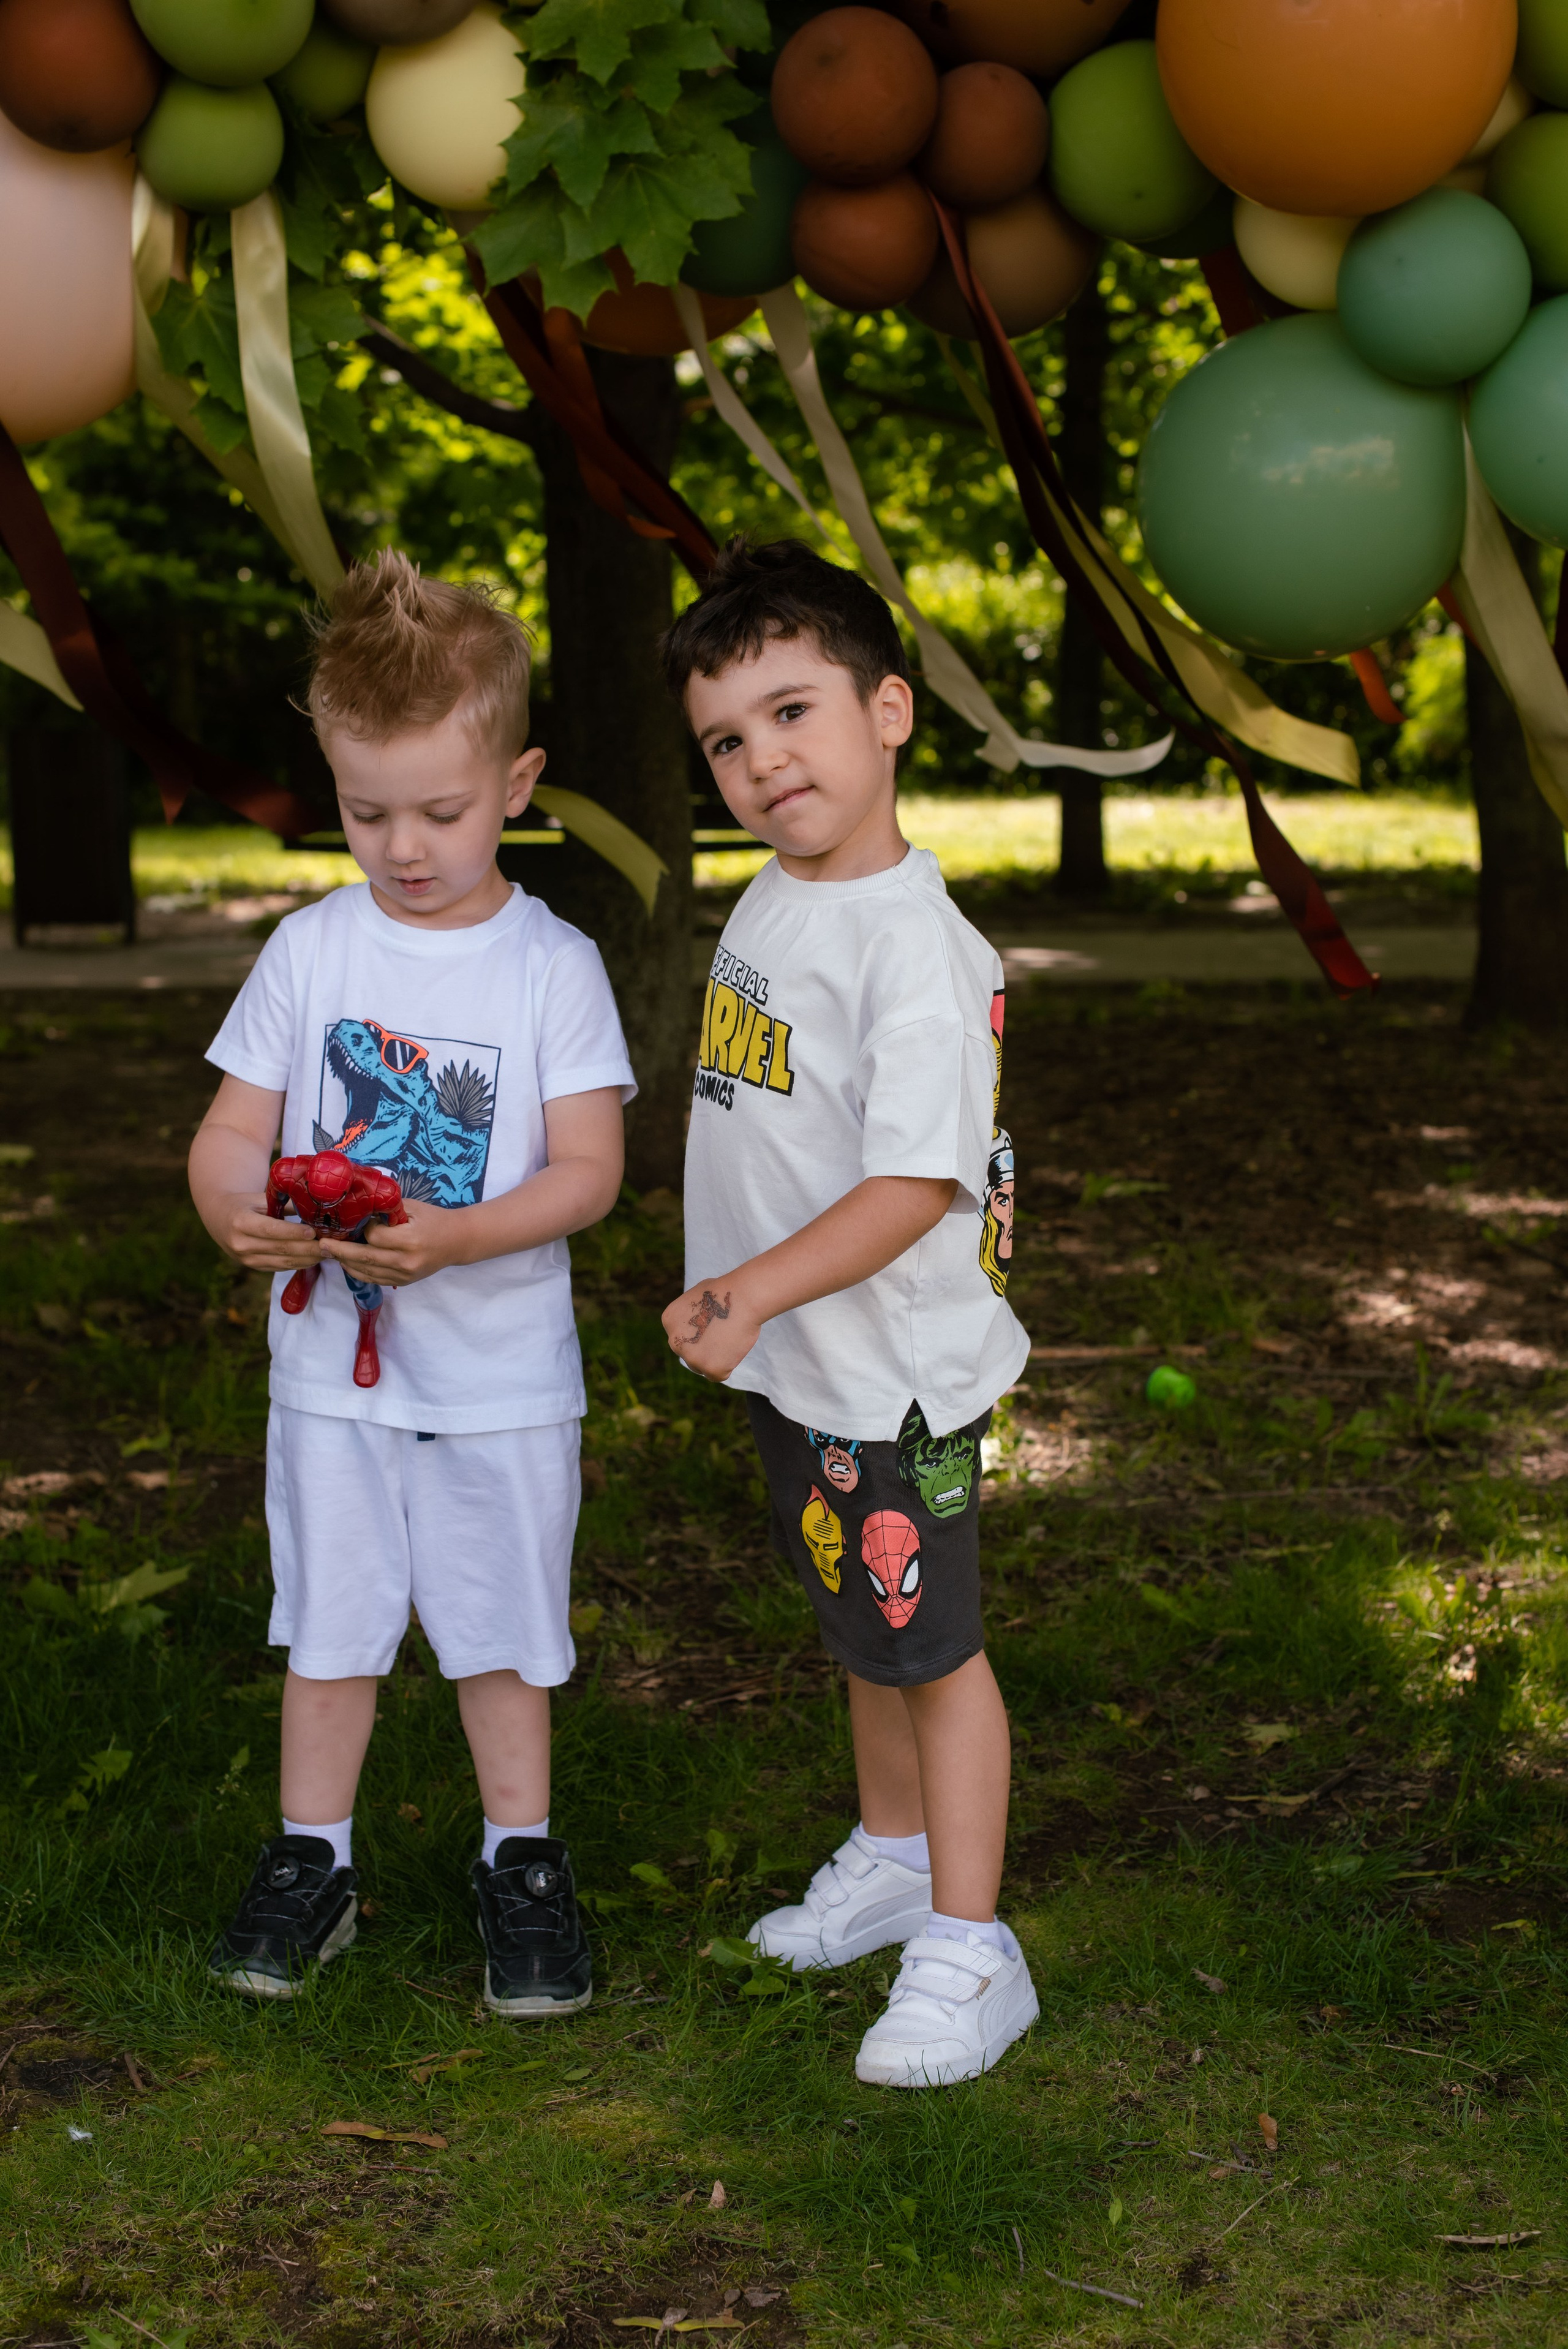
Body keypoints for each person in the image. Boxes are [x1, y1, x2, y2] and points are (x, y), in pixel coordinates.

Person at [189, 552, 635, 2013]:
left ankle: (522, 1859)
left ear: (516, 783)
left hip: (501, 1378)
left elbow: (589, 1171)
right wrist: (233, 1215)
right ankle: (312, 1859)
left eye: (438, 811)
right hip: (332, 1378)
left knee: (502, 1626)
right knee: (332, 1618)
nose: (402, 846)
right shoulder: (311, 950)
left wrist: (455, 1235)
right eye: (365, 811)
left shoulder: (548, 965)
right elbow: (232, 1133)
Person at [659, 536, 1037, 2088]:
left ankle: (970, 1943)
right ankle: (891, 1858)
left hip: (891, 1378)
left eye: (792, 713)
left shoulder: (917, 957)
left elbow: (913, 1189)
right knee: (864, 1628)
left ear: (889, 712)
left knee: (933, 1648)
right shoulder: (783, 894)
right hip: (803, 1364)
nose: (761, 761)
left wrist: (745, 1287)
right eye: (726, 741)